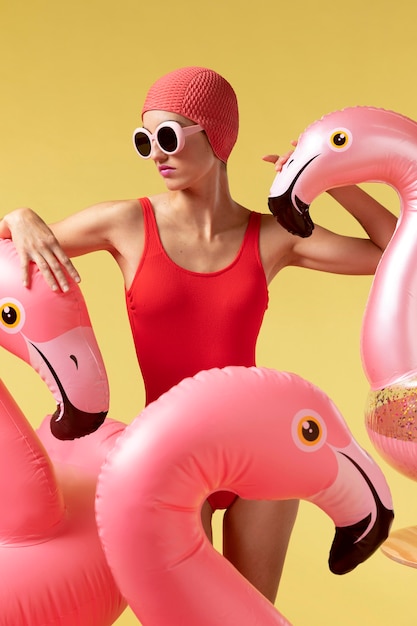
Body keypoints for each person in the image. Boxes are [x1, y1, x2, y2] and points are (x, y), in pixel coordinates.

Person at [0, 66, 397, 604]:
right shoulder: (125, 224)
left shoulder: (273, 236)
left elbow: (393, 255)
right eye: (145, 140)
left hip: (260, 447)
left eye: (168, 136)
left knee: (251, 613)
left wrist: (332, 181)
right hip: (168, 456)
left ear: (219, 138)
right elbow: (12, 257)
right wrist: (16, 217)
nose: (156, 155)